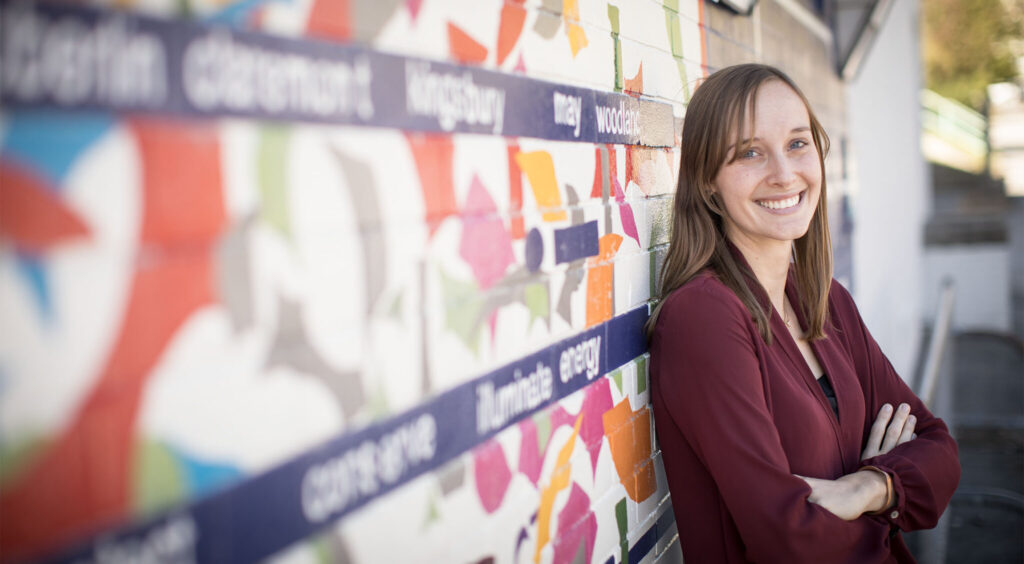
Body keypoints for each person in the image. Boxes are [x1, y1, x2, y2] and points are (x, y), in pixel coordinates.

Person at [647, 64, 960, 563]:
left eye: (797, 144)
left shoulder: (825, 299)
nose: (784, 173)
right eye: (750, 153)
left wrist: (867, 488)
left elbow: (937, 447)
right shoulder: (703, 318)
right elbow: (786, 537)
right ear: (708, 184)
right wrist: (895, 498)